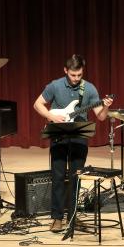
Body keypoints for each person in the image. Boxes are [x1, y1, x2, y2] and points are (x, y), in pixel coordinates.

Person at [33, 55, 113, 233]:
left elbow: (100, 116)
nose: (76, 79)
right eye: (73, 75)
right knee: (58, 176)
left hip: (79, 137)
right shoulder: (55, 85)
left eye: (79, 75)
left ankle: (73, 216)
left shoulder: (89, 88)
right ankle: (56, 218)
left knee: (76, 178)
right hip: (59, 136)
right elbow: (37, 104)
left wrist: (106, 106)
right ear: (65, 71)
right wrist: (51, 116)